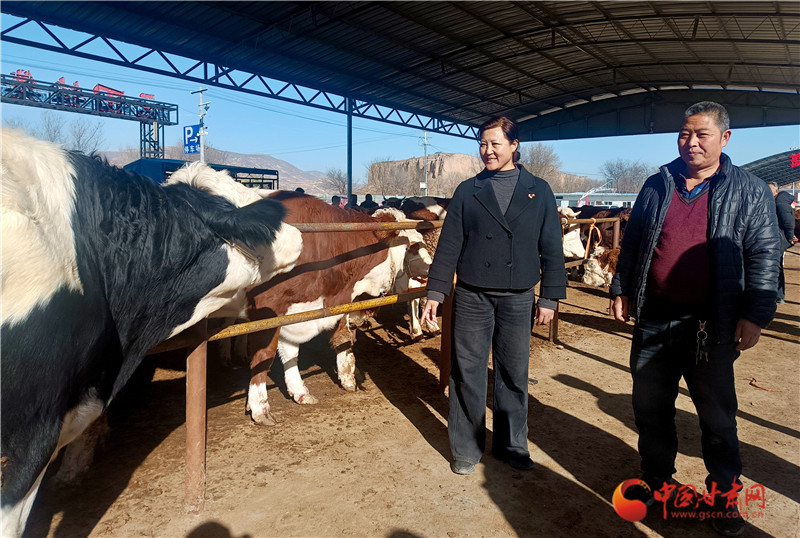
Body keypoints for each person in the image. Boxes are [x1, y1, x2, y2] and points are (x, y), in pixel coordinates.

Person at [610, 101, 781, 537]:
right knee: (650, 409)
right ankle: (657, 482)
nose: (691, 142)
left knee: (717, 419)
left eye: (702, 134)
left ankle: (723, 498)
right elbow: (633, 243)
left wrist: (755, 314)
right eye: (685, 133)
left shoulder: (749, 190)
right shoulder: (657, 183)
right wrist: (621, 289)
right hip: (654, 319)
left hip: (711, 324)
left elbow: (765, 255)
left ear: (724, 138)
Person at [421, 116, 566, 476]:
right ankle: (466, 448)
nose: (487, 151)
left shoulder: (539, 191)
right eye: (482, 144)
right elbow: (449, 245)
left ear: (514, 146)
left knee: (514, 373)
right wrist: (436, 290)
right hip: (473, 295)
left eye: (495, 144)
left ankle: (512, 445)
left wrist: (549, 297)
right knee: (467, 372)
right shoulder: (467, 190)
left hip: (518, 296)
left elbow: (552, 246)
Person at [768, 181, 797, 303]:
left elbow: (788, 222)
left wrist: (790, 237)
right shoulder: (777, 201)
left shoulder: (780, 203)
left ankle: (778, 295)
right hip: (778, 237)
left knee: (776, 266)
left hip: (779, 238)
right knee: (777, 265)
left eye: (770, 190)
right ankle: (778, 295)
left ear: (777, 191)